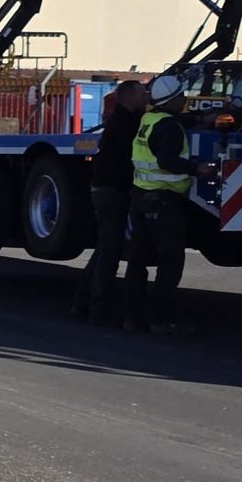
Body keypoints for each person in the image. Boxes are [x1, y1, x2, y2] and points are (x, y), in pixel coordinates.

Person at [123, 75, 217, 335]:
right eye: (181, 96)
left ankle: (132, 318)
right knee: (171, 260)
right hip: (163, 200)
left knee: (137, 260)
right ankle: (159, 319)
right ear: (172, 99)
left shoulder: (149, 120)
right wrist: (197, 169)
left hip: (142, 197)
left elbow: (171, 127)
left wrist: (197, 120)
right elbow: (167, 160)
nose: (184, 99)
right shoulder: (169, 128)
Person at [71, 80, 150, 324]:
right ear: (128, 97)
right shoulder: (124, 124)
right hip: (112, 191)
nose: (145, 98)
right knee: (110, 249)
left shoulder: (122, 120)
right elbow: (128, 155)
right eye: (141, 94)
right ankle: (97, 307)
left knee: (106, 248)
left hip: (107, 190)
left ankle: (84, 302)